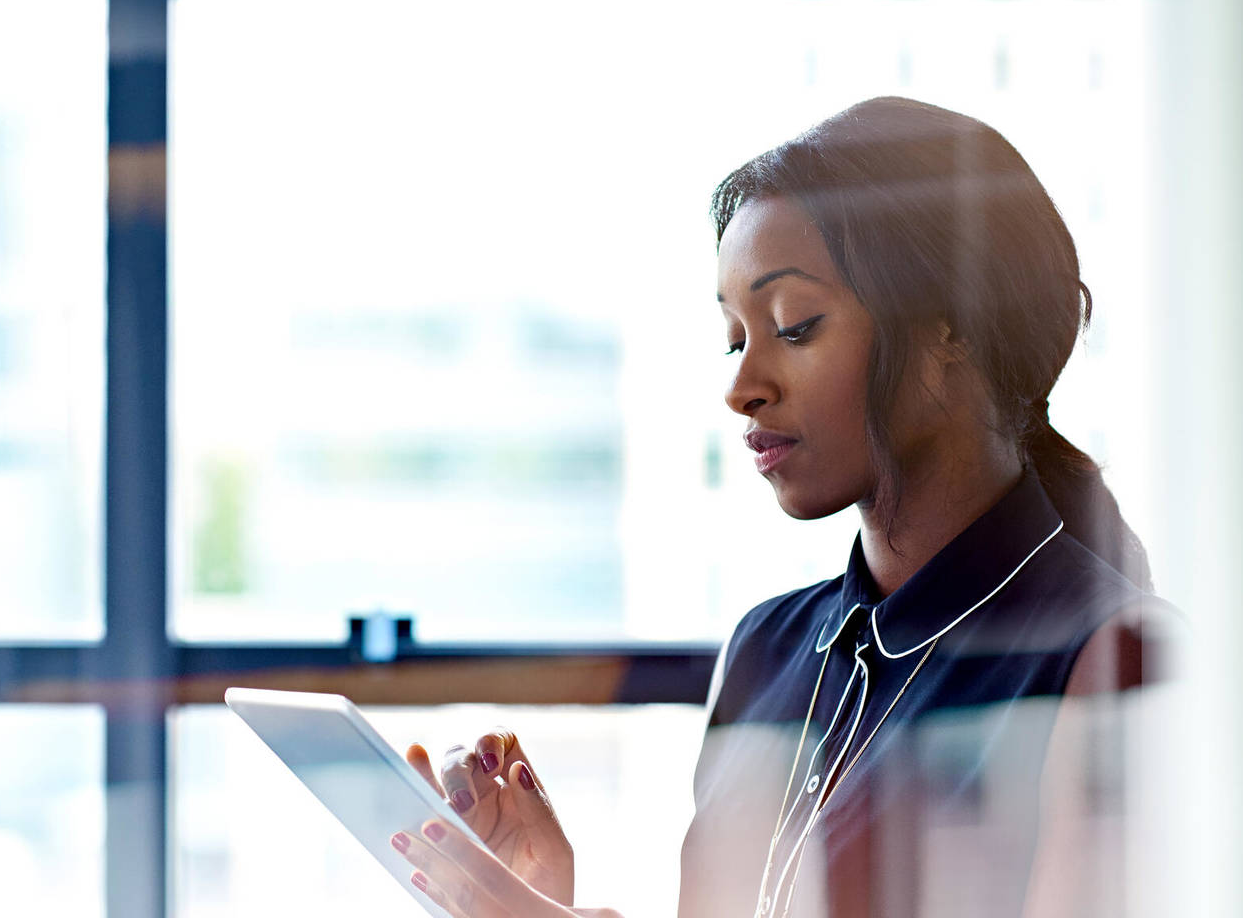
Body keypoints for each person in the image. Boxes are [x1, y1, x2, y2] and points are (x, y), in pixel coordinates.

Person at [384, 96, 1177, 918]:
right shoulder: (764, 649)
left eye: (793, 326)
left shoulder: (1122, 660)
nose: (740, 387)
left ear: (956, 331)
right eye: (735, 337)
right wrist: (541, 897)